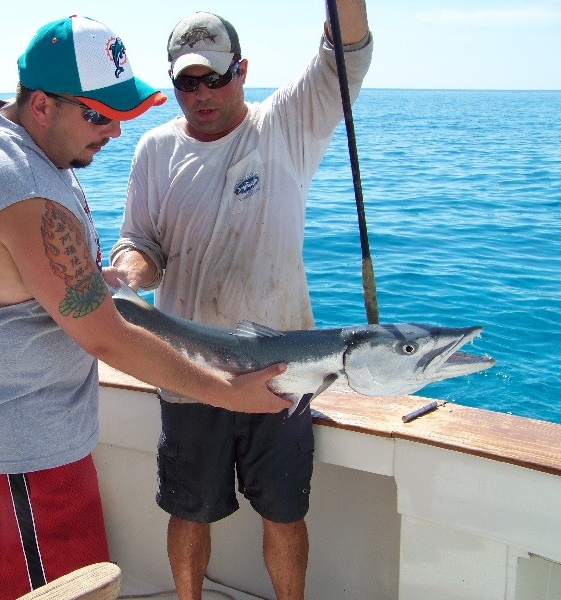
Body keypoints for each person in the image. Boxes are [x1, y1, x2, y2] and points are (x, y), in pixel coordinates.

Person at [0, 15, 291, 600]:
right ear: (40, 104)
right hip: (18, 451)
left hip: (31, 436)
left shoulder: (8, 134)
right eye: (98, 114)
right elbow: (107, 337)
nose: (114, 132)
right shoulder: (22, 189)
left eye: (120, 113)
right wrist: (228, 392)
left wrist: (85, 275)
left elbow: (29, 273)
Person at [109, 4, 372, 598]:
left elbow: (346, 54)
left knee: (283, 511)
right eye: (186, 81)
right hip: (189, 369)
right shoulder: (154, 149)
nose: (201, 93)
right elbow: (141, 243)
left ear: (243, 71)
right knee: (189, 511)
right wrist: (126, 272)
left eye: (215, 78)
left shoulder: (286, 124)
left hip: (284, 371)